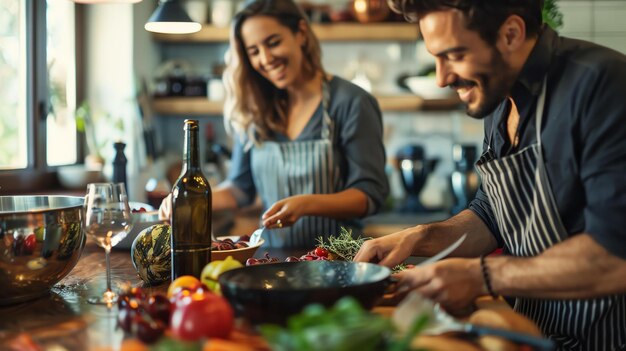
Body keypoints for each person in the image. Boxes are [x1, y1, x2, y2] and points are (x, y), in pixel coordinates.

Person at [354, 0, 626, 349]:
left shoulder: (602, 86)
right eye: (435, 58)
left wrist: (480, 275)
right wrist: (419, 237)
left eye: (453, 54)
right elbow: (493, 215)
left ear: (511, 34)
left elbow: (615, 257)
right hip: (532, 334)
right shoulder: (498, 97)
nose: (441, 78)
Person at [160, 0, 389, 248]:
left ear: (300, 33)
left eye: (273, 42)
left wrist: (307, 204)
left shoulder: (351, 102)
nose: (266, 58)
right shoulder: (254, 109)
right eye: (254, 51)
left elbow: (369, 194)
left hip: (339, 259)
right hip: (273, 263)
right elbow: (240, 189)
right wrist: (187, 198)